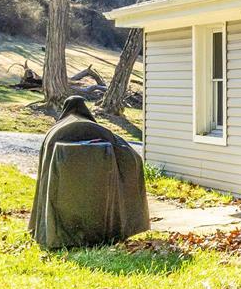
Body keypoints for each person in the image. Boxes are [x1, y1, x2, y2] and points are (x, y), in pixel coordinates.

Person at [29, 96, 150, 249]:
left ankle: (60, 237)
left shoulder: (56, 132)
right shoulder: (101, 131)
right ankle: (104, 235)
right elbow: (130, 156)